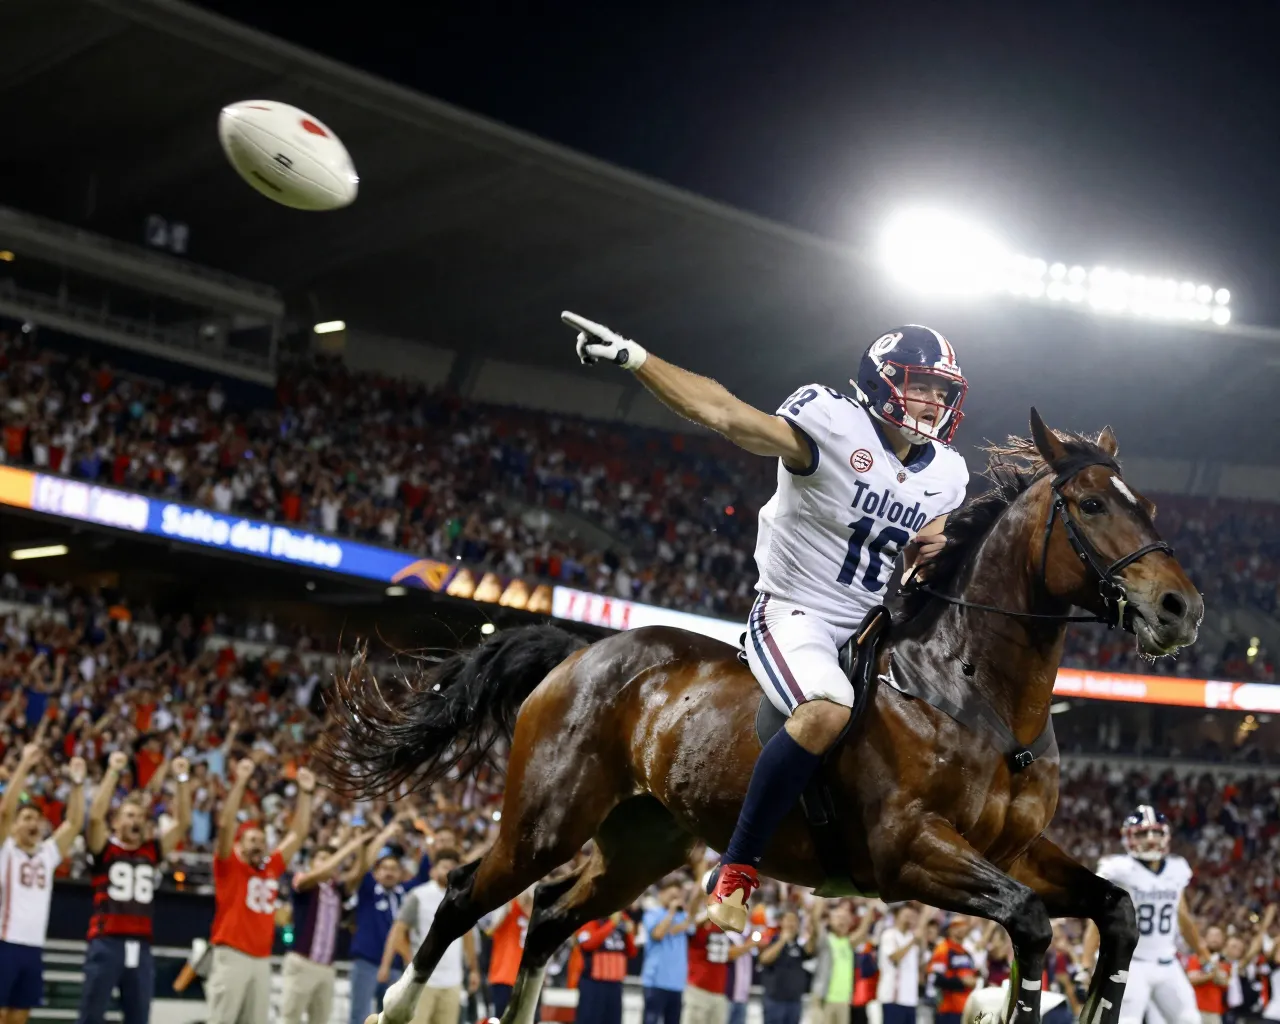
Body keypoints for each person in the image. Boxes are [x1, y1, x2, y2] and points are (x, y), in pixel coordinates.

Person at [563, 314, 970, 932]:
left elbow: (922, 546)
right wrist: (636, 357)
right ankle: (736, 867)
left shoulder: (947, 473)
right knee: (826, 710)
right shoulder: (831, 422)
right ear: (882, 380)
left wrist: (928, 557)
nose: (934, 402)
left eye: (944, 391)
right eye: (923, 386)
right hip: (794, 611)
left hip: (868, 625)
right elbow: (727, 414)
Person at [77, 749, 193, 1024]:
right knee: (91, 1016)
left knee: (139, 1018)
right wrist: (113, 771)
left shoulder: (151, 850)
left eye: (140, 816)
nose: (135, 821)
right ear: (116, 821)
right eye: (129, 815)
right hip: (107, 941)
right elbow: (95, 817)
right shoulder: (105, 849)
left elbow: (183, 823)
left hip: (141, 944)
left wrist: (182, 780)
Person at [205, 759, 315, 1024]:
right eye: (252, 840)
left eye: (262, 841)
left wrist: (305, 793)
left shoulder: (270, 868)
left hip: (262, 958)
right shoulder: (229, 866)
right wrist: (241, 781)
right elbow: (226, 824)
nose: (258, 845)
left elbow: (298, 833)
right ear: (239, 845)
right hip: (232, 954)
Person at [1083, 806, 1209, 1024]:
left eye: (1156, 832)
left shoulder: (1177, 869)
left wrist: (1203, 953)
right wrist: (1086, 963)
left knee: (1189, 1019)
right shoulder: (1119, 869)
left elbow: (1183, 917)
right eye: (1142, 833)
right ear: (1129, 837)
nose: (1150, 839)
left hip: (1167, 961)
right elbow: (1099, 918)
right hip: (1130, 963)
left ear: (1166, 835)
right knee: (1127, 1021)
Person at [0, 744, 85, 1024]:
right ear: (14, 826)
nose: (33, 824)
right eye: (26, 818)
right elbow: (5, 811)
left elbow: (73, 823)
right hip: (5, 943)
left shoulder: (47, 854)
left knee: (20, 1016)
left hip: (34, 945)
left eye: (37, 819)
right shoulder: (6, 850)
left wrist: (77, 784)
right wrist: (24, 765)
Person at [282, 827, 375, 1024]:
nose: (329, 863)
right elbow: (322, 872)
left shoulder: (336, 890)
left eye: (330, 859)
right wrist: (349, 846)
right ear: (311, 862)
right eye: (322, 858)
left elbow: (358, 872)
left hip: (326, 967)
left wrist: (360, 846)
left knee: (321, 1020)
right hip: (302, 962)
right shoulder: (302, 880)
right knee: (290, 1019)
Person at [380, 847, 481, 1024]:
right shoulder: (419, 895)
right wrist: (410, 961)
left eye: (453, 867)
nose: (449, 871)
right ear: (432, 870)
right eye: (444, 866)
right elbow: (397, 932)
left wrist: (474, 969)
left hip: (453, 980)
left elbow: (468, 937)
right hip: (422, 981)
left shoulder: (464, 898)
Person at [351, 817, 415, 1024]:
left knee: (390, 1020)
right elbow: (364, 864)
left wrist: (405, 839)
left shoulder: (404, 894)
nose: (389, 872)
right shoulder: (368, 889)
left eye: (394, 869)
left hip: (395, 966)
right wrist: (386, 834)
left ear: (401, 874)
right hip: (366, 963)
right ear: (376, 873)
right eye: (384, 868)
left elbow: (424, 870)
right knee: (360, 1017)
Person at [641, 879, 699, 1024]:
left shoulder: (682, 916)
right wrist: (671, 912)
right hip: (655, 982)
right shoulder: (652, 914)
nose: (675, 900)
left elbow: (691, 922)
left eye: (677, 897)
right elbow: (658, 934)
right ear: (661, 894)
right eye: (671, 896)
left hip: (677, 983)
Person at [575, 912, 638, 1024]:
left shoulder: (622, 919)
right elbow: (588, 944)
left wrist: (629, 933)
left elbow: (632, 952)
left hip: (615, 985)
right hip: (593, 984)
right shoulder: (590, 919)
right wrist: (611, 924)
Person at [878, 904, 934, 1024]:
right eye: (906, 916)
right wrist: (913, 941)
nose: (909, 919)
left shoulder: (912, 936)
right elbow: (894, 958)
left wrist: (921, 940)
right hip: (892, 998)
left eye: (912, 916)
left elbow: (923, 964)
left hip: (911, 999)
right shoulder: (889, 934)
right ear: (896, 916)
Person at [484, 888, 535, 1019]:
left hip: (527, 980)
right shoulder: (509, 908)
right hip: (504, 977)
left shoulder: (536, 918)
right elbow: (490, 930)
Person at [758, 908, 814, 1024]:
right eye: (788, 920)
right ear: (781, 922)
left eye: (795, 920)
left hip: (794, 1000)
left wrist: (812, 928)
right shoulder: (773, 939)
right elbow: (764, 959)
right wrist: (782, 940)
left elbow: (810, 951)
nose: (791, 923)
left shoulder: (798, 946)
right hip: (775, 999)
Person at [928, 916, 978, 1024]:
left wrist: (975, 981)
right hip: (948, 1010)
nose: (961, 928)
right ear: (948, 929)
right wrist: (962, 981)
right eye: (956, 926)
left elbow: (974, 976)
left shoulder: (967, 953)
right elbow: (937, 979)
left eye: (963, 925)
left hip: (966, 1010)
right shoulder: (942, 949)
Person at [1187, 925, 1230, 1024]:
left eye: (1218, 936)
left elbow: (1225, 983)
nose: (1215, 939)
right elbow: (1192, 980)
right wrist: (1213, 973)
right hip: (1195, 1008)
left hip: (1215, 1012)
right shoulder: (1196, 958)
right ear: (1205, 938)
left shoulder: (1226, 962)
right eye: (1212, 935)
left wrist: (1207, 973)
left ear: (1223, 940)